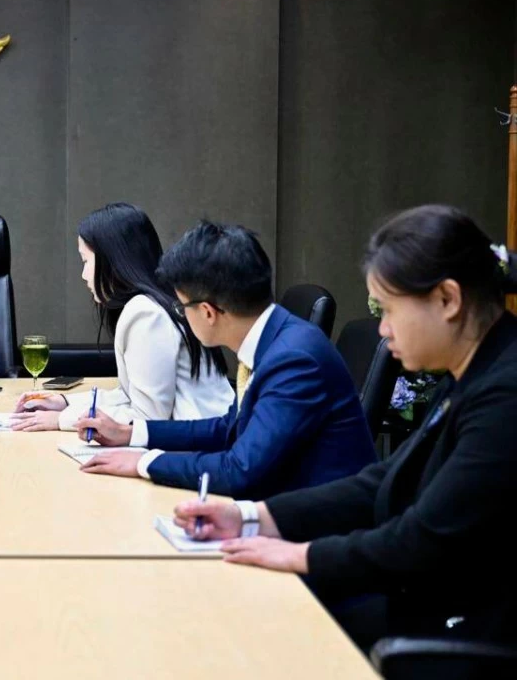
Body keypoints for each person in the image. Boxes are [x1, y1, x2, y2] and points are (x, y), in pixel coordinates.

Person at [174, 205, 517, 654]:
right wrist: (254, 519)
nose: (383, 329)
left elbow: (420, 541)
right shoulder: (474, 367)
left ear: (448, 300)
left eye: (389, 309)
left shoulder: (504, 393)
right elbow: (386, 480)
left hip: (462, 628)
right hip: (428, 602)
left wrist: (298, 555)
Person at [77, 220, 376, 498]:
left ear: (207, 312)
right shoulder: (274, 339)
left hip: (317, 530)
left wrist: (145, 463)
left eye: (182, 308)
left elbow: (240, 470)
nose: (182, 316)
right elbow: (228, 428)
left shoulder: (294, 359)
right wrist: (131, 434)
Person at [11, 203, 233, 431]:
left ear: (112, 261)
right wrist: (66, 402)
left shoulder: (145, 313)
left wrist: (62, 420)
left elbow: (147, 418)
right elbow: (131, 396)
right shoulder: (159, 300)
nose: (83, 275)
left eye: (86, 261)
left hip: (203, 448)